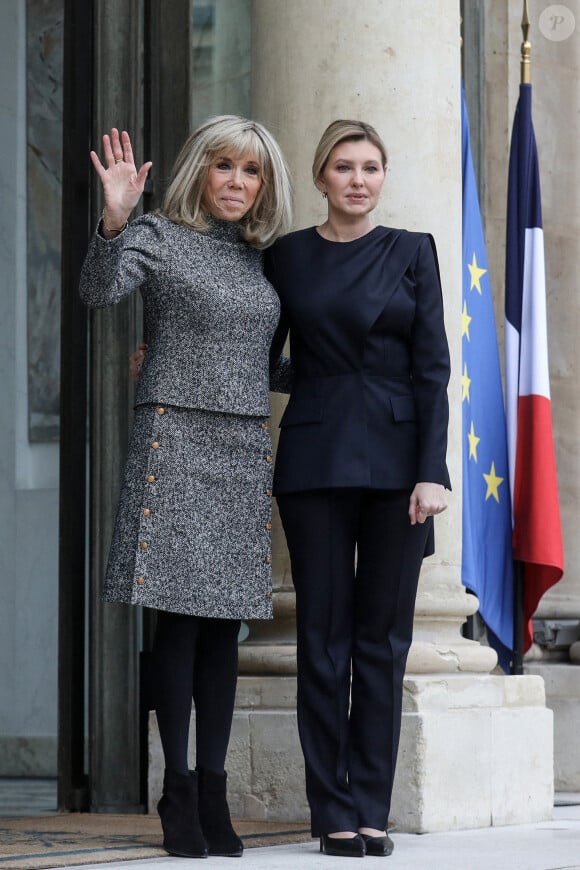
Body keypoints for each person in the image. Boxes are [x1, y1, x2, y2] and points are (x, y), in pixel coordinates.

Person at [79, 116, 292, 859]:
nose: (238, 182)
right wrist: (114, 218)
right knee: (179, 620)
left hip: (240, 445)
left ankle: (213, 787)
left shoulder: (264, 261)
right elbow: (99, 291)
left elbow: (265, 362)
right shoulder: (157, 236)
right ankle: (175, 788)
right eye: (225, 166)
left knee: (225, 626)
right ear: (200, 168)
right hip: (174, 436)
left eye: (253, 171)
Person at [266, 120, 451, 858]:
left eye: (371, 167)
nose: (358, 180)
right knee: (322, 639)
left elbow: (432, 368)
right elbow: (262, 353)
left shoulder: (412, 251)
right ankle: (331, 810)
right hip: (314, 461)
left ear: (383, 176)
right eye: (343, 167)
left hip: (400, 469)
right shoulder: (286, 257)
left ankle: (372, 806)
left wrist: (432, 470)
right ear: (321, 177)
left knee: (383, 641)